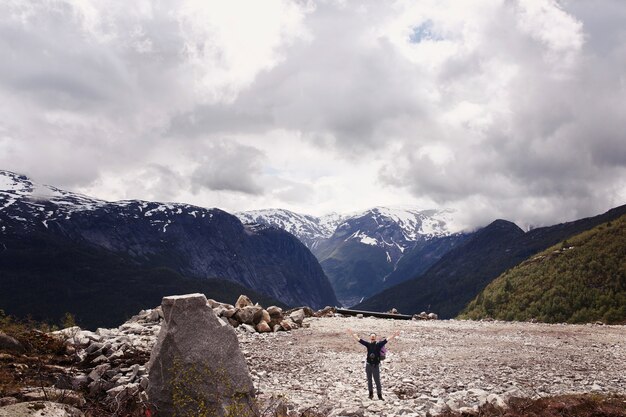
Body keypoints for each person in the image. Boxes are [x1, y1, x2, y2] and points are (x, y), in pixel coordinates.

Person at [346, 328, 401, 400]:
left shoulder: (379, 345)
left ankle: (379, 396)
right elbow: (359, 340)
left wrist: (394, 334)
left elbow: (387, 339)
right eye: (371, 336)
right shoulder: (368, 345)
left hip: (375, 366)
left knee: (377, 381)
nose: (372, 337)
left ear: (375, 338)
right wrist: (352, 334)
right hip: (368, 365)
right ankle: (370, 395)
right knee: (369, 380)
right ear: (370, 338)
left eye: (374, 336)